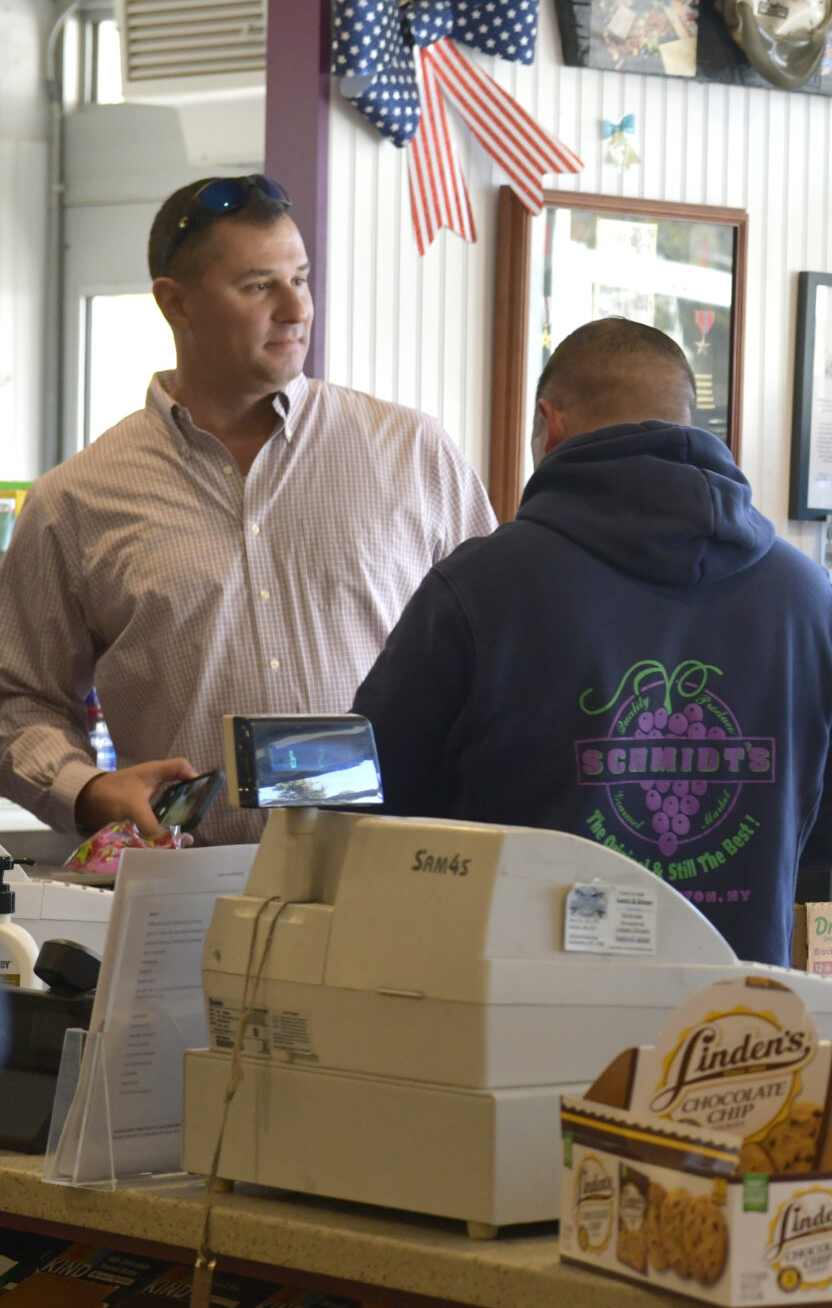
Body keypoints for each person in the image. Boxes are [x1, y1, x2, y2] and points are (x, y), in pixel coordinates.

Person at [352, 319, 832, 968]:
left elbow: (371, 802)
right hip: (735, 1036)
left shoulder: (482, 587)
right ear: (689, 419)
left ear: (550, 422)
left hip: (517, 1028)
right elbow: (829, 833)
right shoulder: (808, 598)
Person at [0, 174, 494, 846]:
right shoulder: (78, 499)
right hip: (189, 896)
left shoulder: (412, 455)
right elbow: (17, 698)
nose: (297, 308)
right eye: (260, 285)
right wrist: (86, 789)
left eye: (302, 277)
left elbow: (497, 659)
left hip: (394, 881)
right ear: (176, 304)